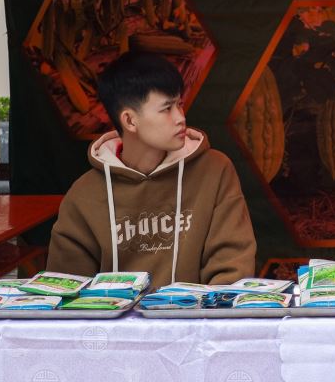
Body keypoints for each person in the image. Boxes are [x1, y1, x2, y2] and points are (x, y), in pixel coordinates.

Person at [47, 51, 256, 285]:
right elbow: (66, 286)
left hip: (198, 309)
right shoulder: (84, 195)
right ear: (130, 120)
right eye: (167, 108)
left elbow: (233, 268)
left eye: (179, 104)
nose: (180, 117)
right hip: (111, 311)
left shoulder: (215, 171)